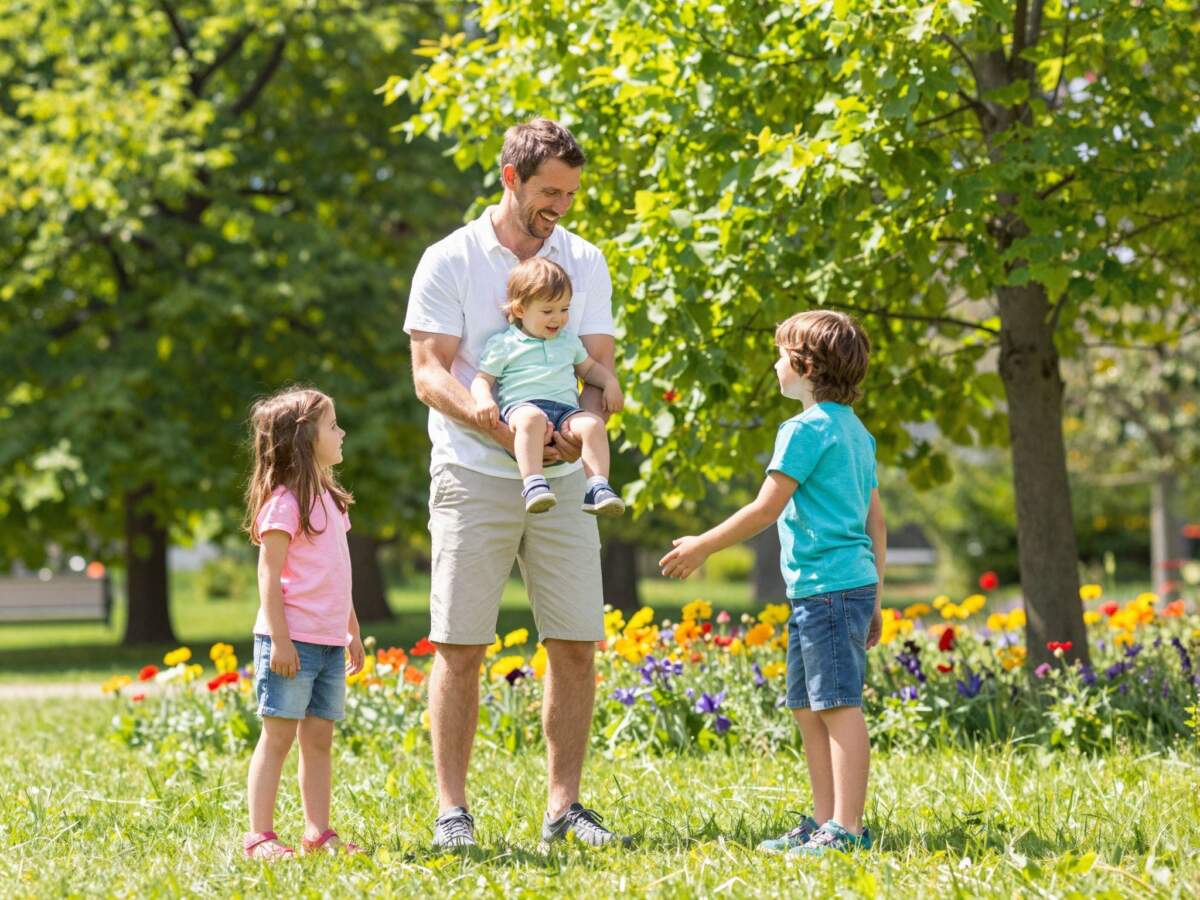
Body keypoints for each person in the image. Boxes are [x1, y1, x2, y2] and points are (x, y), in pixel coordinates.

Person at [405, 118, 626, 848]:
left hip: (563, 478)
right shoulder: (451, 258)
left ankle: (565, 809)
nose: (559, 207)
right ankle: (453, 813)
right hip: (472, 472)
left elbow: (596, 365)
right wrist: (495, 424)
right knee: (461, 645)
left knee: (574, 642)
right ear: (510, 178)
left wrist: (579, 430)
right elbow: (429, 371)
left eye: (570, 193)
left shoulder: (584, 260)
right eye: (548, 192)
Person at [660, 310, 886, 856]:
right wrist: (875, 596)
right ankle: (824, 820)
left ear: (806, 367)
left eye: (782, 355)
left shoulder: (805, 430)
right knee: (809, 707)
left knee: (837, 705)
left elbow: (765, 509)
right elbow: (874, 522)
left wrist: (703, 545)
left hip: (828, 588)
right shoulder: (855, 432)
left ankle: (847, 829)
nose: (774, 363)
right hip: (832, 589)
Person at [241, 386, 365, 860]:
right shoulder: (283, 503)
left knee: (319, 738)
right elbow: (268, 576)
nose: (342, 432)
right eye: (333, 426)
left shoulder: (332, 500)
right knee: (278, 737)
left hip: (329, 643)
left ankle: (318, 832)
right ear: (305, 437)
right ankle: (260, 837)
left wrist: (350, 629)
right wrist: (280, 641)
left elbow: (340, 572)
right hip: (292, 644)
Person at [471, 256, 625, 515]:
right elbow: (482, 379)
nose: (558, 319)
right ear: (520, 310)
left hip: (566, 412)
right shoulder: (505, 344)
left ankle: (598, 487)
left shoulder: (567, 341)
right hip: (522, 409)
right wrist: (484, 400)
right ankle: (533, 483)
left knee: (593, 424)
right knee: (532, 419)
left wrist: (610, 381)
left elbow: (588, 369)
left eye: (564, 309)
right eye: (548, 311)